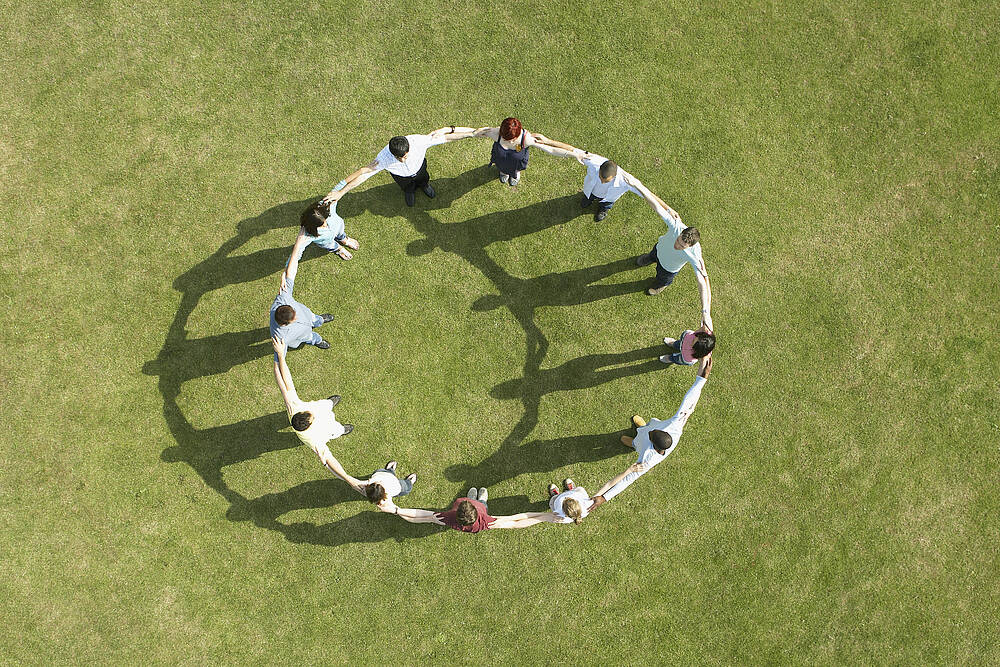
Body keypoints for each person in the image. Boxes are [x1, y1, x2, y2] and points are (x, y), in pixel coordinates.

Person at [590, 356, 713, 509]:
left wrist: (604, 497)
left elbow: (629, 479)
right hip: (651, 432)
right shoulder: (674, 427)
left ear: (654, 445)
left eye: (652, 434)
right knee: (646, 426)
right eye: (654, 432)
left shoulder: (647, 458)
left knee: (627, 440)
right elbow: (689, 401)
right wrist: (703, 378)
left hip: (640, 444)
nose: (652, 432)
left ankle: (633, 441)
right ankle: (642, 428)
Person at [271, 336, 358, 488]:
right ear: (309, 424)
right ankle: (343, 430)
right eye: (311, 416)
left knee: (325, 404)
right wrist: (347, 478)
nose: (311, 414)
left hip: (321, 406)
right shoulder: (314, 440)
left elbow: (285, 383)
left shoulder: (295, 407)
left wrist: (279, 357)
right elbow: (330, 460)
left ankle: (330, 402)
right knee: (337, 429)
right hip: (329, 429)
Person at [321, 126, 478, 208]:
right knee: (407, 188)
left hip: (420, 169)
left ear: (408, 148)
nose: (403, 160)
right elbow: (363, 175)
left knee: (424, 179)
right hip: (401, 178)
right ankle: (410, 192)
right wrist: (341, 193)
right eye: (399, 158)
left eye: (405, 156)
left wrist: (472, 133)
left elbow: (446, 138)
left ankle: (425, 186)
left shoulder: (419, 141)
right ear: (392, 154)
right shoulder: (383, 158)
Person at [629, 178, 713, 324]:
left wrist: (705, 311)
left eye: (682, 246)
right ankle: (649, 258)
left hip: (668, 269)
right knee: (652, 255)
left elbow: (702, 282)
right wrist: (638, 185)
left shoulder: (695, 255)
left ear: (690, 246)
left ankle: (662, 285)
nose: (677, 246)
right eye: (678, 241)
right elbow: (656, 206)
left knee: (662, 278)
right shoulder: (676, 226)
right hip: (658, 250)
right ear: (681, 233)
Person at [529, 135, 640, 221]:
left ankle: (603, 209)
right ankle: (588, 200)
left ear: (615, 176)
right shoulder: (594, 161)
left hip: (608, 197)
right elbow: (572, 149)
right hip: (591, 191)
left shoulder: (627, 181)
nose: (602, 181)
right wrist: (548, 141)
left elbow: (649, 196)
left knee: (606, 204)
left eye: (605, 181)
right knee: (588, 197)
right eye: (600, 177)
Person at [375, 487, 550, 533]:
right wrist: (542, 517)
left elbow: (419, 516)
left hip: (468, 509)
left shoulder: (448, 518)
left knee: (473, 496)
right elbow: (514, 521)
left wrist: (396, 510)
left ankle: (474, 497)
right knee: (482, 500)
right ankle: (481, 500)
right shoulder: (486, 522)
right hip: (483, 508)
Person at [271, 239, 334, 353]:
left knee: (313, 318)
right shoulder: (281, 337)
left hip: (308, 315)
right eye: (294, 318)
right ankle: (317, 340)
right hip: (301, 335)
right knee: (310, 337)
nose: (297, 317)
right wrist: (280, 355)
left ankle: (318, 320)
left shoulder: (283, 299)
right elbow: (279, 364)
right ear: (285, 324)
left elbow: (291, 272)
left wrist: (298, 246)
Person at [473, 117, 571, 186]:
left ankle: (515, 175)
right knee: (502, 166)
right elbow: (471, 133)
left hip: (517, 159)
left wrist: (574, 153)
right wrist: (477, 131)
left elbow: (552, 149)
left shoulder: (527, 138)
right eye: (507, 139)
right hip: (501, 157)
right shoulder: (494, 133)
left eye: (513, 138)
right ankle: (504, 173)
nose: (511, 141)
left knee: (516, 168)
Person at [294, 198, 360, 261]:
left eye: (326, 219)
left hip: (338, 228)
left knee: (340, 233)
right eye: (321, 225)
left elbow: (338, 189)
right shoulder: (307, 235)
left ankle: (343, 239)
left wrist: (340, 192)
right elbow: (297, 253)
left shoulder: (327, 206)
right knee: (330, 245)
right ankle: (339, 248)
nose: (325, 225)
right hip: (327, 242)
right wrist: (290, 266)